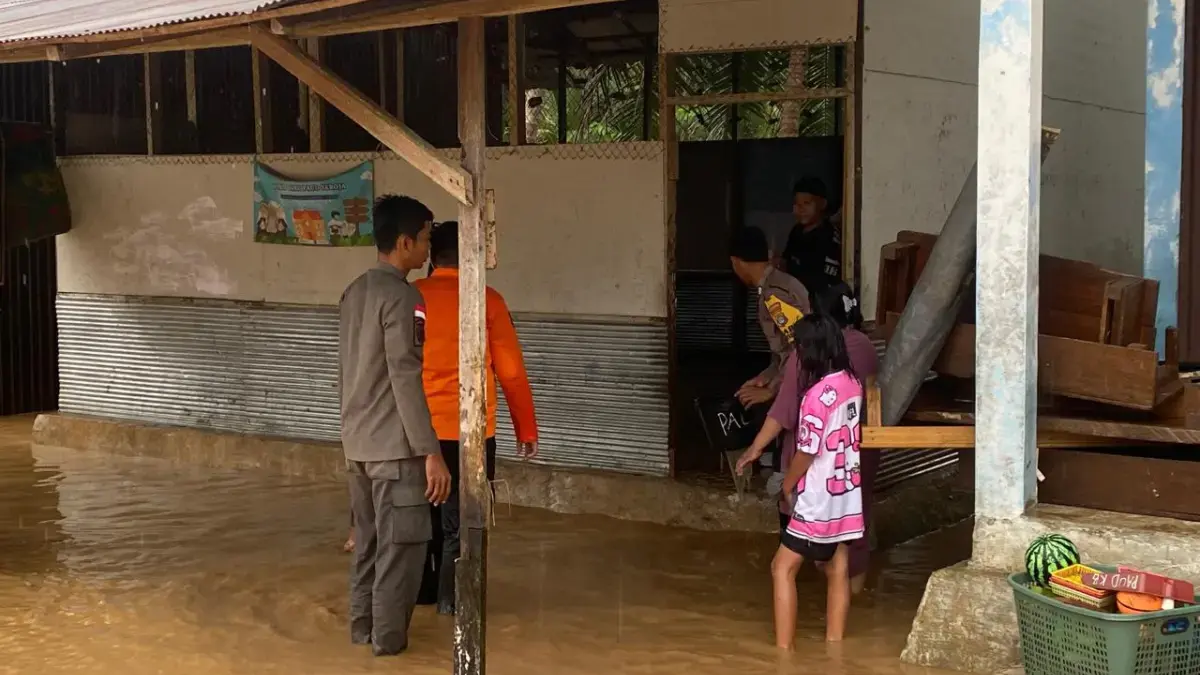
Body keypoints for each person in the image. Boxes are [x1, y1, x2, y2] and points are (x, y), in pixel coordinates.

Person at [339, 194, 452, 656]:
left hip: (358, 446)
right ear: (404, 242)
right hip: (395, 450)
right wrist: (431, 452)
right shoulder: (405, 298)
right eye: (424, 239)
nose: (427, 249)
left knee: (367, 544)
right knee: (401, 550)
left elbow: (347, 371)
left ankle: (362, 634)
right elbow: (406, 376)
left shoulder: (354, 292)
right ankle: (388, 649)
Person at [735, 281, 879, 594]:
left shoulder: (808, 357)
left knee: (786, 564)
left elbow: (785, 415)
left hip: (817, 471)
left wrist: (755, 450)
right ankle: (854, 611)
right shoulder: (866, 347)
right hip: (855, 457)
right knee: (849, 541)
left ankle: (804, 609)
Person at [738, 313, 865, 648]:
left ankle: (784, 653)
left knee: (782, 568)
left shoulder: (816, 396)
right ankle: (835, 650)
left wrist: (787, 485)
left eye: (798, 346)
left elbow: (807, 452)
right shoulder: (852, 384)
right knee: (838, 568)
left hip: (818, 500)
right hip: (846, 497)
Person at [729, 226, 811, 410]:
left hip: (802, 390)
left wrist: (773, 390)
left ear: (736, 262)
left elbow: (803, 348)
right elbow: (785, 350)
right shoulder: (777, 284)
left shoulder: (774, 295)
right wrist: (766, 377)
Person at [781, 177, 841, 297]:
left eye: (806, 203)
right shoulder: (796, 231)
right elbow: (786, 262)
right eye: (797, 204)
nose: (801, 209)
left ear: (822, 204)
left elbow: (826, 283)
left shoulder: (829, 236)